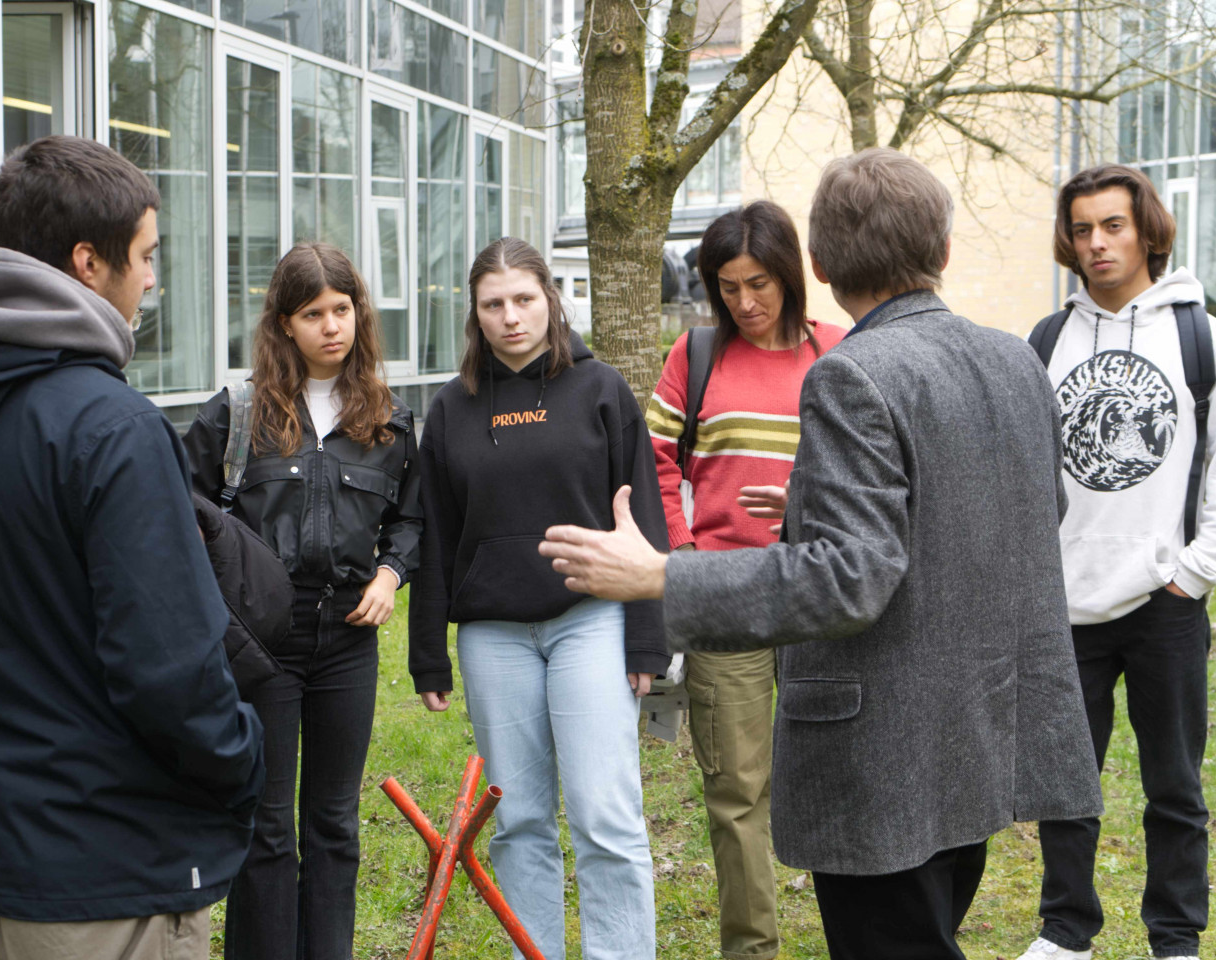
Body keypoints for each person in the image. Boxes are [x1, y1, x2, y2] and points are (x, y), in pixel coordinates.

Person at [539, 149, 1105, 960]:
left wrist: (660, 574)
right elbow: (1031, 512)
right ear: (943, 251)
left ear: (822, 265)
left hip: (887, 760)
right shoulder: (1015, 358)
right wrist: (815, 508)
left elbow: (847, 579)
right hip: (977, 736)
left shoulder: (853, 375)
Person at [0, 135, 263, 960]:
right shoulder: (112, 427)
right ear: (89, 264)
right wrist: (243, 759)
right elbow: (168, 667)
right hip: (109, 873)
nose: (153, 279)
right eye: (147, 255)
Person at [1016, 165, 1216, 960]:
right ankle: (1066, 930)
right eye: (1082, 229)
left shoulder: (1203, 339)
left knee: (1175, 785)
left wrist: (1193, 575)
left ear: (1146, 230)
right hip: (1066, 603)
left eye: (1113, 225)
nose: (1097, 243)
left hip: (1166, 600)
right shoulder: (1046, 343)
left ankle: (1175, 936)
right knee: (1065, 781)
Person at [409, 236, 667, 960]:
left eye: (524, 299)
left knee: (605, 816)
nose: (510, 317)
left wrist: (648, 637)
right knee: (519, 821)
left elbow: (643, 519)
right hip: (493, 636)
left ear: (550, 300)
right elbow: (435, 534)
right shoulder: (452, 409)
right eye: (493, 304)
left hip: (591, 619)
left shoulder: (602, 390)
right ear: (475, 314)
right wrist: (428, 652)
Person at [182, 242, 421, 960]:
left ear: (359, 313)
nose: (331, 326)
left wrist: (390, 574)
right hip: (264, 645)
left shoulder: (388, 419)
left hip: (347, 641)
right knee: (266, 828)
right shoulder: (237, 414)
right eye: (313, 313)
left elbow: (412, 518)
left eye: (341, 309)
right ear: (284, 322)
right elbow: (182, 515)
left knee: (335, 825)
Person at [644, 200, 842, 960]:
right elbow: (656, 461)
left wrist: (808, 508)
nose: (745, 302)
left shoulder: (840, 352)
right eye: (727, 287)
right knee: (736, 790)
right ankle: (752, 951)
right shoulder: (696, 356)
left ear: (790, 274)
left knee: (841, 780)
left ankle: (862, 935)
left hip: (823, 596)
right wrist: (685, 555)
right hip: (726, 597)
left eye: (758, 283)